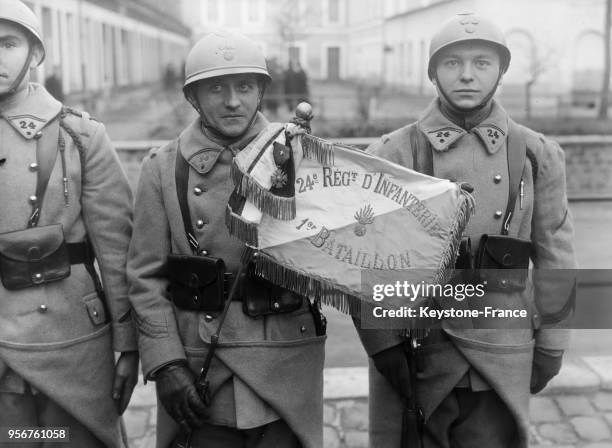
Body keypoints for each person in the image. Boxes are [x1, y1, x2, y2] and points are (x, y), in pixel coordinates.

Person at [355, 13, 576, 448]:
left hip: (499, 350)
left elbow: (556, 255)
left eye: (482, 62)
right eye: (452, 63)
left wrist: (552, 343)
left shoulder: (536, 155)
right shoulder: (391, 153)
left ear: (501, 71)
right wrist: (382, 344)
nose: (467, 75)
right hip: (417, 352)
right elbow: (367, 259)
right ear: (433, 72)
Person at [128, 29, 326, 448]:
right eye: (215, 88)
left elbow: (334, 255)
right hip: (202, 364)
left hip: (284, 353)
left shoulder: (304, 158)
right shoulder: (163, 169)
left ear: (261, 92)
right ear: (193, 99)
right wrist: (166, 364)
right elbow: (145, 277)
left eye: (245, 86)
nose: (233, 100)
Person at [0, 1, 138, 447]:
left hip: (71, 345)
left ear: (36, 54)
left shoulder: (80, 135)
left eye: (8, 43)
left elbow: (117, 250)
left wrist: (129, 344)